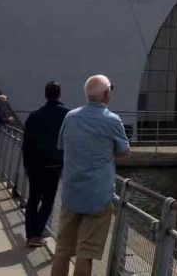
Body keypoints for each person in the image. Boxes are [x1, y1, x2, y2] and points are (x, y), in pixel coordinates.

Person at [51, 75, 130, 276]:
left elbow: (62, 145)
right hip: (98, 196)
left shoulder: (71, 117)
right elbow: (124, 152)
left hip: (71, 193)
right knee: (84, 255)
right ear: (106, 94)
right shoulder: (112, 120)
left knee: (61, 252)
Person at [23, 81, 69, 248]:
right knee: (48, 200)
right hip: (54, 164)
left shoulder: (34, 116)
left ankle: (30, 234)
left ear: (45, 94)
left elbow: (26, 143)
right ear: (60, 94)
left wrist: (26, 164)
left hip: (35, 164)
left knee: (33, 199)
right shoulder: (67, 115)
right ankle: (37, 233)